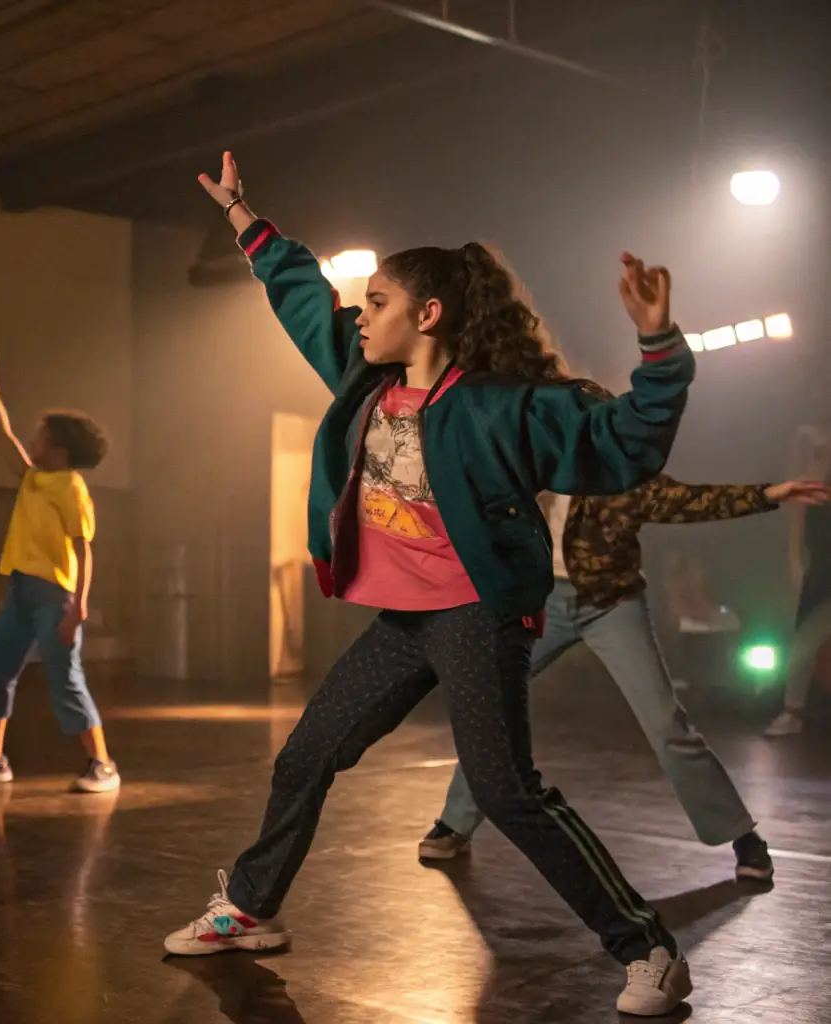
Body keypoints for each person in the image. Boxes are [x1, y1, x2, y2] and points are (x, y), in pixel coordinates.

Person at [163, 153, 696, 1018]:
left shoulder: (504, 405)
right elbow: (304, 299)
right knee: (305, 755)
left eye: (377, 303)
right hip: (402, 621)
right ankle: (250, 910)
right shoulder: (365, 380)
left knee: (506, 794)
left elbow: (625, 442)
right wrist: (243, 219)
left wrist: (658, 344)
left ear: (429, 314)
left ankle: (648, 950)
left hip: (478, 617)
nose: (359, 316)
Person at [420, 470, 830, 876]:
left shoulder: (615, 463)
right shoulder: (526, 453)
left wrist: (770, 493)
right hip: (538, 598)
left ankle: (743, 837)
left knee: (664, 720)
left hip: (611, 603)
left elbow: (685, 499)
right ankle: (456, 821)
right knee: (493, 707)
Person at [0, 343, 118, 793]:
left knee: (65, 678)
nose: (32, 441)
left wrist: (78, 607)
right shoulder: (32, 478)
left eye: (40, 437)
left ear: (59, 449)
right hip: (21, 591)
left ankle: (102, 764)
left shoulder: (71, 487)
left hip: (55, 598)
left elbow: (84, 549)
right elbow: (2, 434)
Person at [765, 423, 831, 736]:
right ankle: (792, 711)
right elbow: (797, 509)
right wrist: (793, 557)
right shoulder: (813, 440)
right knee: (806, 634)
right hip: (823, 559)